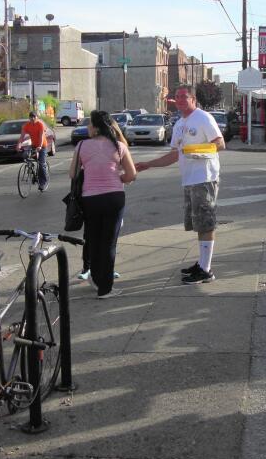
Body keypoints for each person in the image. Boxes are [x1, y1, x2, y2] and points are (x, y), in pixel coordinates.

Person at [135, 85, 225, 284]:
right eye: (177, 97)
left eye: (184, 96)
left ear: (193, 99)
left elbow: (220, 143)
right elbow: (174, 155)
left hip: (205, 178)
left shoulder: (203, 117)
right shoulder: (179, 124)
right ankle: (202, 264)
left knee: (206, 223)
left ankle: (206, 270)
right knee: (198, 224)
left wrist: (196, 149)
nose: (180, 100)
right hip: (189, 179)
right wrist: (147, 165)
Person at [70, 111, 136, 299]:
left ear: (97, 127)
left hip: (90, 199)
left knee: (94, 240)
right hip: (114, 198)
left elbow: (72, 174)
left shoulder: (82, 145)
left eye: (90, 124)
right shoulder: (119, 146)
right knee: (109, 243)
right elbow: (131, 175)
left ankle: (97, 279)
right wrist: (116, 178)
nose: (88, 127)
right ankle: (105, 288)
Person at [78, 118, 128, 282]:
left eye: (90, 124)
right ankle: (90, 268)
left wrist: (117, 178)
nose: (87, 127)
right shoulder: (88, 145)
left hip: (105, 194)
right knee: (95, 236)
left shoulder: (118, 146)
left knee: (107, 237)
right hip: (102, 194)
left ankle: (104, 270)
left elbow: (128, 175)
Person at [16, 111, 50, 191]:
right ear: (29, 118)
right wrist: (19, 144)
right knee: (26, 156)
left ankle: (42, 182)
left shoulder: (40, 124)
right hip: (34, 145)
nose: (33, 118)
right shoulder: (26, 126)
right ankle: (33, 173)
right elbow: (22, 137)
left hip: (42, 146)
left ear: (37, 117)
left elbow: (41, 136)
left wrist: (40, 146)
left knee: (41, 164)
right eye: (31, 117)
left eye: (34, 117)